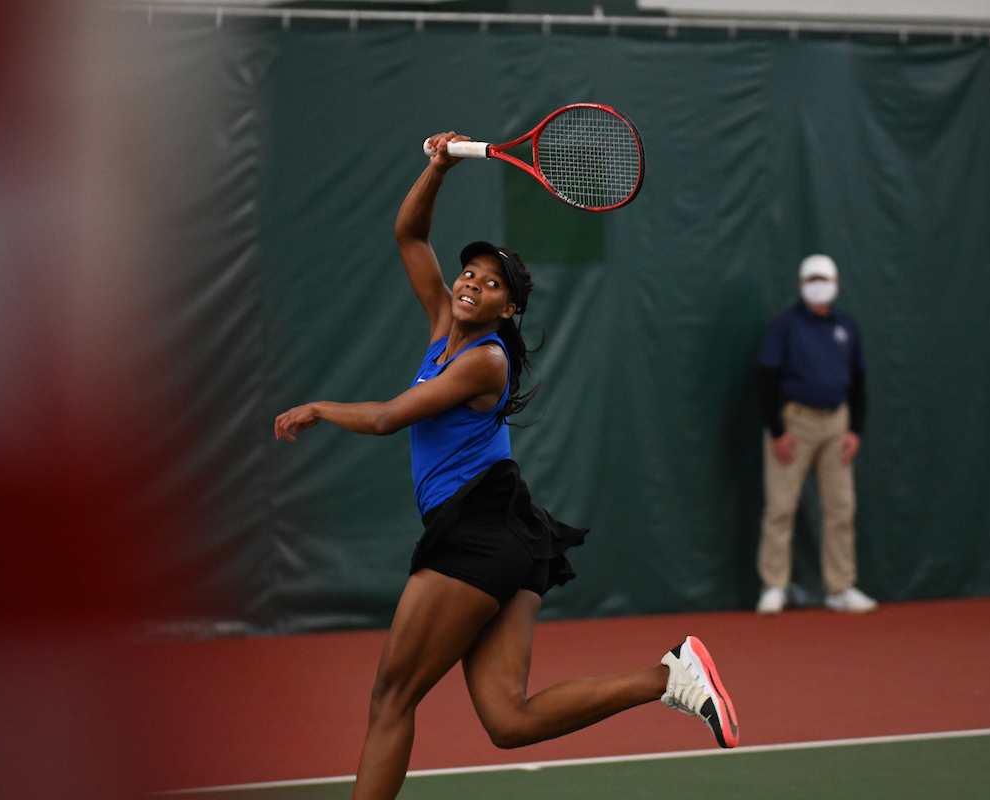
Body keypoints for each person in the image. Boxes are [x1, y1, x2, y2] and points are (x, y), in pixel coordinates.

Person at [274, 132, 738, 800]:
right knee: (508, 721)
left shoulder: (486, 361)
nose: (472, 283)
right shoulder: (445, 327)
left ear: (508, 309)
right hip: (511, 535)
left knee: (391, 700)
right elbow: (410, 236)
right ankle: (667, 677)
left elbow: (386, 418)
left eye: (492, 284)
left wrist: (319, 406)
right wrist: (438, 168)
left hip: (478, 531)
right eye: (469, 273)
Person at [754, 254, 878, 615]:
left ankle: (840, 587)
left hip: (837, 425)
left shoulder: (847, 327)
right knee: (781, 507)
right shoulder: (785, 326)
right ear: (800, 285)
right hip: (794, 425)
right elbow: (766, 378)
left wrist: (855, 430)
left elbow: (859, 381)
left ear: (836, 285)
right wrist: (778, 431)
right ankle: (773, 586)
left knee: (841, 508)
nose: (818, 285)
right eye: (811, 280)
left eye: (824, 279)